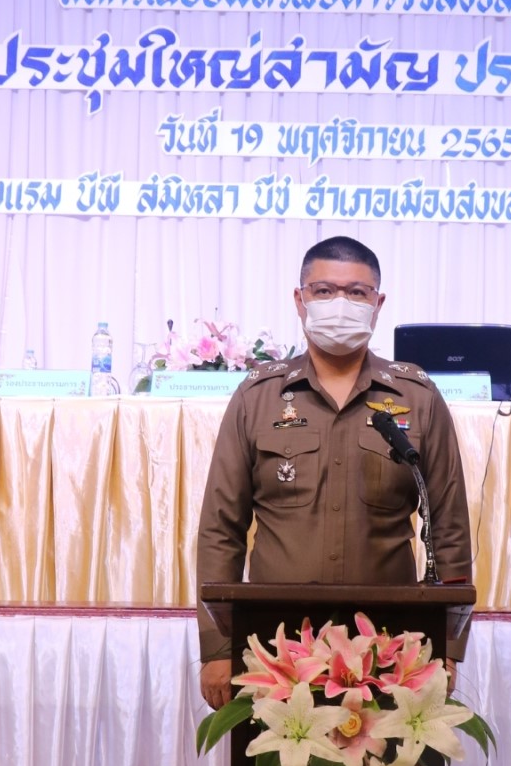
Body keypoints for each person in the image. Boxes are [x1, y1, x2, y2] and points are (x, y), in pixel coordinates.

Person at [197, 235, 472, 708]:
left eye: (357, 292)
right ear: (300, 300)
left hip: (390, 648)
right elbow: (220, 529)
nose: (339, 304)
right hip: (277, 648)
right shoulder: (257, 398)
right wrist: (218, 647)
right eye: (324, 291)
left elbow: (450, 529)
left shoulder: (417, 398)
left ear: (378, 304)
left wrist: (447, 645)